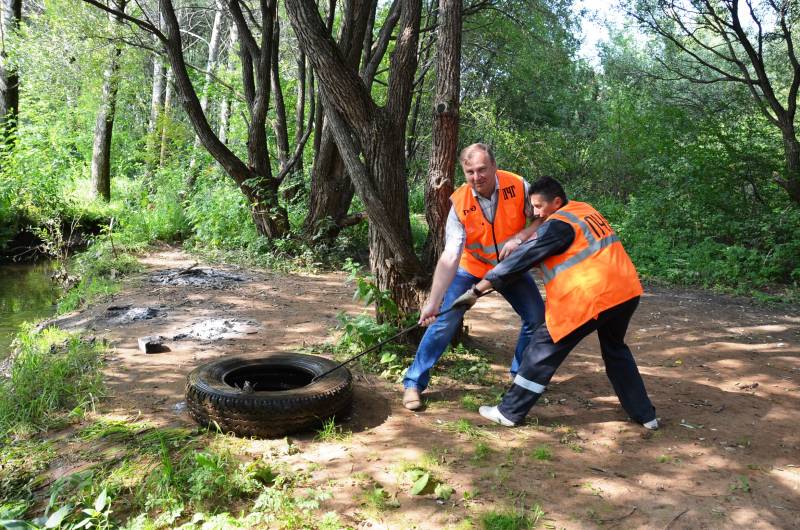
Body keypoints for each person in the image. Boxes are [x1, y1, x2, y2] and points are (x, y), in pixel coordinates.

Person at [453, 176, 658, 429]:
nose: (536, 213)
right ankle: (645, 415)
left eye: (539, 207)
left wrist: (476, 290)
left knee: (542, 348)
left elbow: (520, 261)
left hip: (591, 299)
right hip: (625, 292)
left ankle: (509, 412)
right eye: (533, 207)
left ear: (557, 202)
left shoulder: (558, 224)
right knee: (615, 349)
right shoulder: (583, 210)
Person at [402, 143, 545, 410]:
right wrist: (433, 301)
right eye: (470, 172)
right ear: (464, 172)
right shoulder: (459, 203)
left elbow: (543, 216)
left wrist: (521, 236)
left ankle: (519, 376)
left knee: (536, 317)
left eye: (482, 169)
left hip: (510, 268)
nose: (477, 177)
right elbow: (450, 255)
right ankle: (413, 382)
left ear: (494, 166)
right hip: (471, 268)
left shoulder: (518, 185)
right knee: (444, 321)